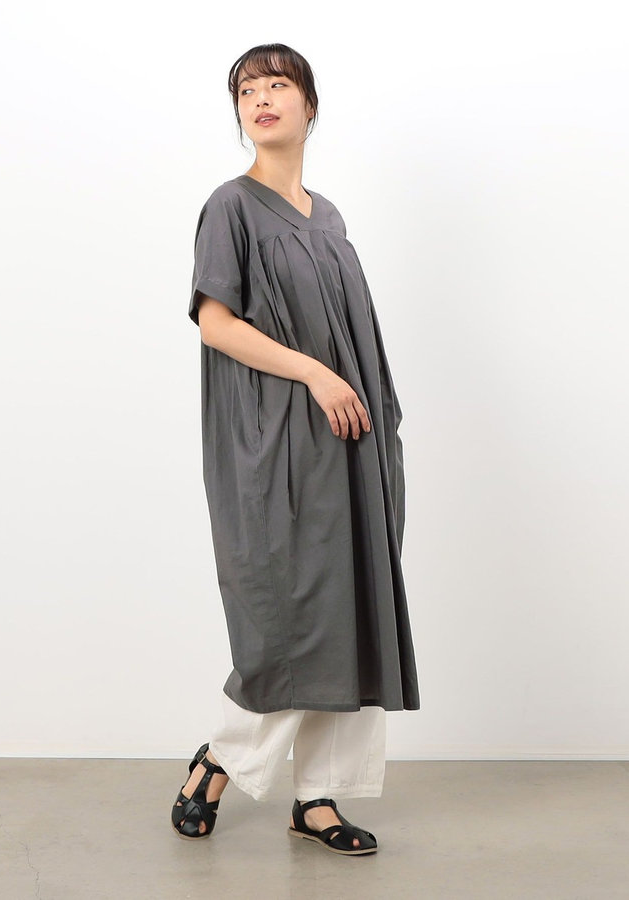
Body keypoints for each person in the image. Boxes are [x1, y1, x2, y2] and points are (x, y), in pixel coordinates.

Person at [172, 43, 420, 856]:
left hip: (347, 442)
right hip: (273, 442)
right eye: (247, 89)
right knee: (287, 618)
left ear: (310, 106)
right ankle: (220, 759)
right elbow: (215, 323)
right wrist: (315, 373)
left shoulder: (330, 218)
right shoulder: (230, 207)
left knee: (349, 612)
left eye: (278, 84)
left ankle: (316, 799)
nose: (261, 97)